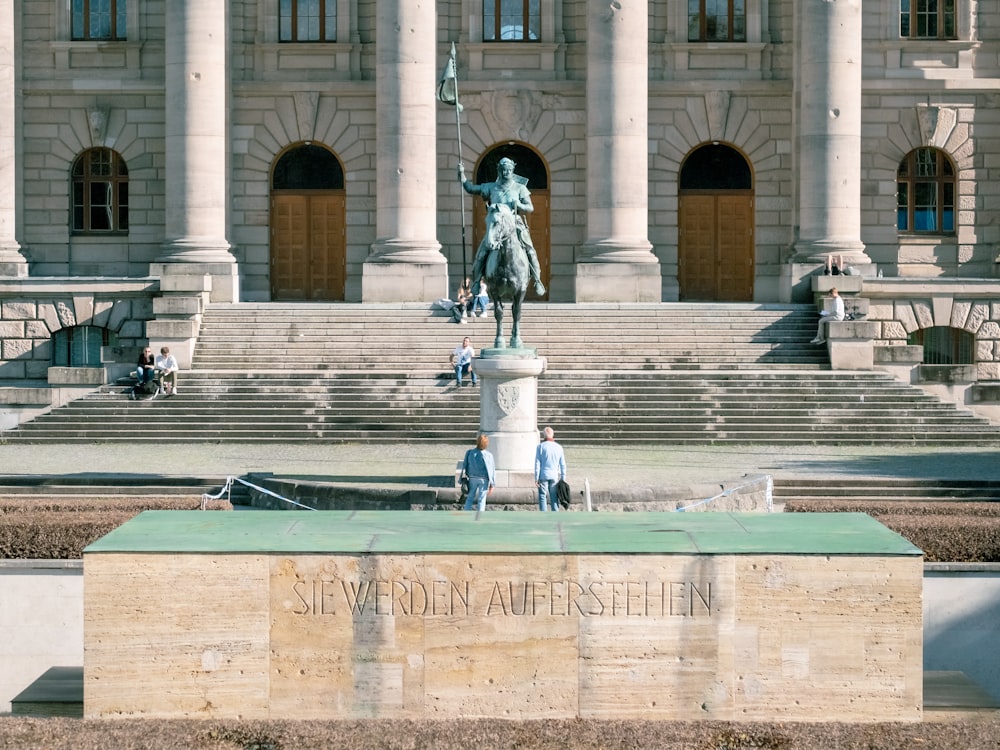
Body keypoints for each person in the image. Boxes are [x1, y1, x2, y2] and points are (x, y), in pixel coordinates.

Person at [459, 157, 546, 297]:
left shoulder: (520, 188)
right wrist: (462, 175)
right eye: (503, 170)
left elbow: (530, 208)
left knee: (530, 249)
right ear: (499, 170)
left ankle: (537, 279)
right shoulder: (491, 187)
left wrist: (519, 205)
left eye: (509, 170)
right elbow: (470, 188)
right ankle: (476, 281)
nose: (506, 172)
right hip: (496, 224)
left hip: (514, 224)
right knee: (482, 252)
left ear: (513, 170)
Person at [535, 426, 567, 512]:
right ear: (553, 435)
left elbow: (537, 464)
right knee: (554, 497)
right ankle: (555, 514)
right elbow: (562, 464)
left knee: (542, 496)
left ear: (544, 435)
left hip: (543, 475)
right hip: (554, 475)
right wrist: (563, 478)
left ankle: (543, 514)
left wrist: (536, 477)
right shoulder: (559, 447)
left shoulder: (540, 447)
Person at [461, 433, 496, 512]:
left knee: (470, 497)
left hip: (472, 478)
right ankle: (479, 517)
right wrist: (492, 484)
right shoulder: (489, 455)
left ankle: (466, 513)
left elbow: (465, 465)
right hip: (484, 479)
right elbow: (492, 470)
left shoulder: (470, 453)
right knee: (482, 499)